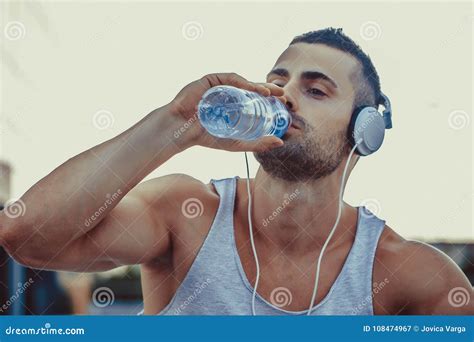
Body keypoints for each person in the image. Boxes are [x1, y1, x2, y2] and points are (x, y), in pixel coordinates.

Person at [1, 28, 472, 315]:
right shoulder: (184, 215)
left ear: (363, 132)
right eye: (278, 79)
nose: (282, 94)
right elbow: (26, 234)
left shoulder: (414, 276)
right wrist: (175, 124)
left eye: (317, 90)